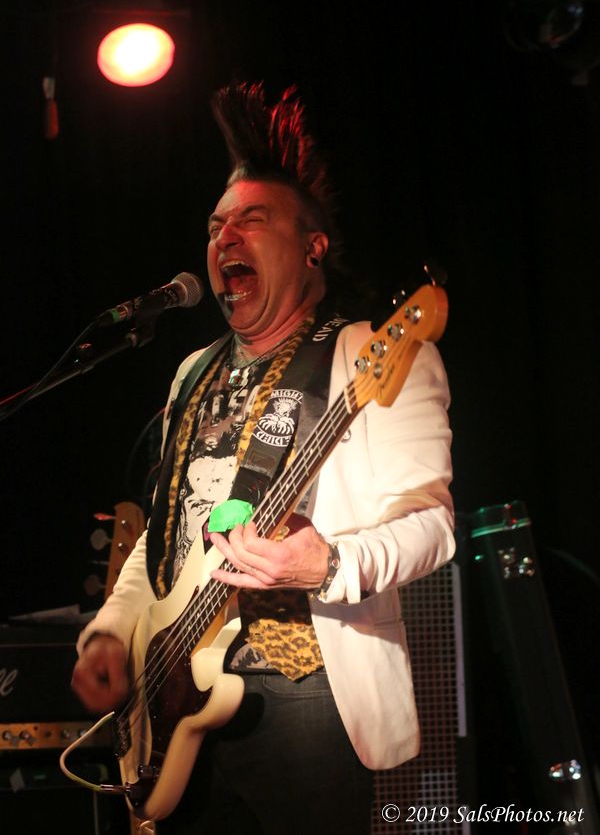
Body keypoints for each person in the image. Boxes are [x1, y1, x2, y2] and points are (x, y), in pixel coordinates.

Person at [71, 83, 454, 835]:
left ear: (312, 247)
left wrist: (328, 565)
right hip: (179, 692)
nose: (226, 238)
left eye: (252, 220)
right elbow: (164, 536)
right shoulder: (193, 373)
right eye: (216, 226)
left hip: (307, 691)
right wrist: (112, 632)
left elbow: (432, 526)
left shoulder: (371, 354)